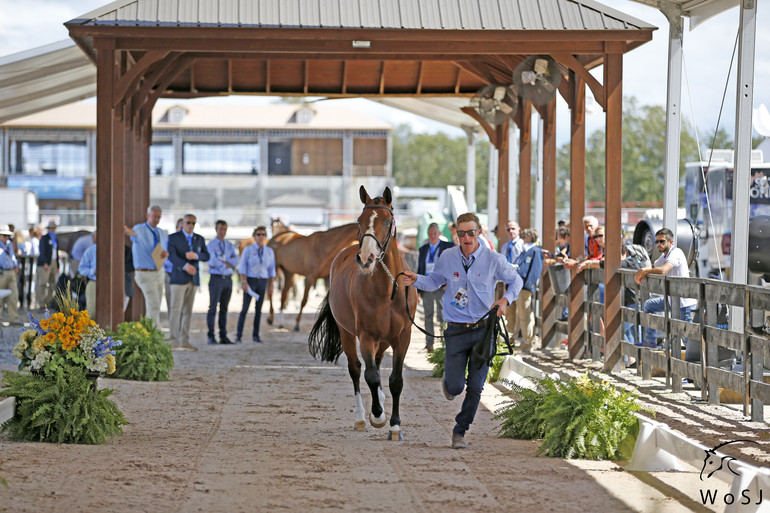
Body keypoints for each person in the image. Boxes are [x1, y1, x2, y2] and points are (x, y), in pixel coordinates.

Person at [402, 212, 523, 450]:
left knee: (476, 386)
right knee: (456, 387)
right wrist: (415, 279)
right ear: (456, 234)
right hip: (456, 331)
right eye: (461, 233)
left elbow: (516, 281)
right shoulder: (448, 257)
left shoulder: (493, 259)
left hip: (483, 331)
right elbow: (434, 281)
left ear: (479, 233)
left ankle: (460, 431)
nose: (466, 237)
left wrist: (505, 301)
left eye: (471, 232)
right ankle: (450, 384)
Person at [634, 228, 697, 349]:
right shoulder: (666, 255)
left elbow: (663, 270)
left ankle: (701, 364)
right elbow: (653, 266)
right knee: (649, 305)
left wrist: (643, 270)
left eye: (662, 241)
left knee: (687, 338)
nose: (658, 244)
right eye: (657, 241)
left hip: (684, 303)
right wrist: (643, 270)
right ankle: (650, 341)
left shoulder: (676, 253)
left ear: (671, 242)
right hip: (672, 300)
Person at [167, 214, 210, 351]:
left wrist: (196, 256)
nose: (190, 225)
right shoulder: (173, 238)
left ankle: (184, 340)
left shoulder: (199, 239)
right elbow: (172, 256)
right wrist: (185, 265)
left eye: (193, 223)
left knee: (187, 311)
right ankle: (172, 340)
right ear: (183, 223)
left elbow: (206, 255)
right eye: (188, 223)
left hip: (193, 279)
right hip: (179, 278)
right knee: (175, 309)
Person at [124, 205, 169, 327]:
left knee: (156, 304)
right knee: (153, 303)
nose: (156, 219)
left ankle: (150, 331)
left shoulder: (161, 232)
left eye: (159, 217)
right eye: (154, 216)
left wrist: (165, 253)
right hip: (145, 273)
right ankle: (155, 333)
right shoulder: (140, 229)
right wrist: (126, 230)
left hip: (158, 272)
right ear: (147, 216)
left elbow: (164, 249)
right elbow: (131, 233)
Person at [416, 222, 454, 352]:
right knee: (428, 315)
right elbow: (420, 269)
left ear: (439, 234)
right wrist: (418, 289)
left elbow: (453, 265)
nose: (432, 235)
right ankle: (429, 343)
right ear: (428, 234)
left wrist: (449, 282)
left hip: (441, 286)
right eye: (430, 233)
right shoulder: (423, 249)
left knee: (442, 315)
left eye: (435, 233)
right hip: (427, 285)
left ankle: (445, 344)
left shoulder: (447, 247)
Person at [236, 226, 275, 343]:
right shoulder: (248, 250)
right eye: (258, 234)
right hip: (251, 280)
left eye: (263, 234)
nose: (260, 237)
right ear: (254, 236)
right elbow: (242, 267)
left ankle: (256, 335)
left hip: (262, 281)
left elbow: (271, 269)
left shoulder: (269, 251)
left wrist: (271, 284)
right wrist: (244, 281)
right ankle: (239, 335)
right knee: (245, 309)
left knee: (259, 310)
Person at [206, 220, 239, 345]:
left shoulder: (229, 245)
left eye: (224, 229)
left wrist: (224, 262)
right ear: (216, 230)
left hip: (227, 279)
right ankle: (211, 335)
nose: (222, 232)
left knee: (224, 308)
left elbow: (235, 260)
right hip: (216, 278)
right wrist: (226, 263)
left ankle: (223, 335)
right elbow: (212, 261)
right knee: (213, 307)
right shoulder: (211, 245)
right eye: (220, 229)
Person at [513, 228, 544, 352]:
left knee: (525, 313)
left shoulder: (535, 251)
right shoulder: (527, 250)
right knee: (522, 313)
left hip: (525, 286)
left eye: (524, 235)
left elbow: (535, 270)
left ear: (530, 237)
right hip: (519, 285)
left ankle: (528, 340)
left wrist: (529, 285)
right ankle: (527, 339)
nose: (522, 237)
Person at [501, 220, 525, 338]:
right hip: (508, 283)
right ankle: (509, 338)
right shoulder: (505, 246)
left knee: (522, 312)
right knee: (509, 313)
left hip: (520, 282)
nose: (511, 231)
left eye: (513, 229)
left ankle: (525, 339)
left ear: (519, 230)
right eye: (508, 229)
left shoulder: (523, 245)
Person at [36, 220, 59, 309]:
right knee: (43, 282)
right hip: (45, 262)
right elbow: (42, 251)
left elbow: (56, 252)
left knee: (53, 283)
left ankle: (49, 301)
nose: (53, 229)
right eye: (51, 227)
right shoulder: (44, 238)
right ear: (49, 228)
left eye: (54, 227)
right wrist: (45, 262)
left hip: (53, 261)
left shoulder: (55, 238)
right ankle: (42, 302)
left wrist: (57, 265)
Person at [0, 225, 20, 323]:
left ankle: (14, 319)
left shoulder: (9, 244)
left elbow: (12, 257)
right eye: (4, 235)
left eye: (8, 235)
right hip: (1, 272)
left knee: (14, 295)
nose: (6, 237)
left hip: (11, 271)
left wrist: (16, 265)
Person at [164, 218, 184, 314]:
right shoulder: (168, 240)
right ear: (177, 228)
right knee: (171, 306)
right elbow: (166, 260)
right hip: (170, 276)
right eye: (181, 227)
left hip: (184, 277)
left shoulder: (189, 242)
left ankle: (180, 328)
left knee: (183, 307)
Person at [78, 240, 97, 316]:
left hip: (111, 283)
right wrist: (93, 271)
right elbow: (81, 269)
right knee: (91, 310)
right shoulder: (90, 250)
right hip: (94, 281)